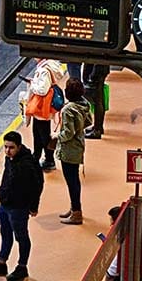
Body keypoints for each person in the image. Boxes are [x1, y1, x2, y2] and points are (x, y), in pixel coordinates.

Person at [0, 131, 42, 280]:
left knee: (21, 237)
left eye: (11, 147)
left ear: (19, 146)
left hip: (19, 206)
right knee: (5, 233)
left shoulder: (27, 164)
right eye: (5, 147)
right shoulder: (9, 158)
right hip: (6, 203)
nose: (7, 151)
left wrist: (34, 206)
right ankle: (1, 262)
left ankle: (22, 267)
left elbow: (37, 185)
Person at [55, 79, 91, 224]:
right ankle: (74, 208)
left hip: (69, 149)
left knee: (72, 182)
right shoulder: (84, 105)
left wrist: (57, 137)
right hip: (79, 146)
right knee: (74, 180)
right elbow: (89, 121)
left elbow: (68, 133)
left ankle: (76, 212)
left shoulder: (68, 109)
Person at [23, 59, 61, 170]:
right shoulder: (47, 66)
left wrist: (32, 84)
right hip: (42, 109)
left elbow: (42, 90)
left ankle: (49, 160)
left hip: (41, 108)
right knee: (38, 134)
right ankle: (37, 156)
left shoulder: (44, 70)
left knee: (43, 136)